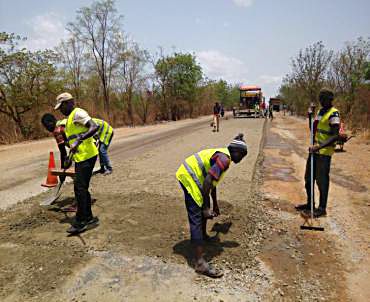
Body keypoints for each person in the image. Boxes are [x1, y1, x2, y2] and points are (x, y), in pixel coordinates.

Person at [176, 134, 248, 278]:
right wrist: (204, 208)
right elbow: (208, 181)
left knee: (205, 203)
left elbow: (212, 182)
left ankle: (202, 235)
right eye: (243, 155)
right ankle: (200, 263)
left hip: (197, 177)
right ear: (236, 152)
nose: (242, 159)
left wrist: (214, 204)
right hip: (189, 176)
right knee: (197, 214)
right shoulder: (225, 159)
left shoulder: (224, 156)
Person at [54, 92, 99, 234]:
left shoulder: (78, 113)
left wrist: (80, 139)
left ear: (68, 103)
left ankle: (80, 221)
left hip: (88, 156)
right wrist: (69, 159)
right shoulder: (69, 119)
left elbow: (94, 126)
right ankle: (89, 217)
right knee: (82, 188)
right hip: (81, 157)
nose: (60, 110)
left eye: (61, 107)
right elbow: (73, 142)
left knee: (79, 189)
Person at [295, 89, 341, 217]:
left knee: (321, 181)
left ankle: (321, 208)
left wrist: (319, 147)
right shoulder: (321, 112)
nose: (321, 101)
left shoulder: (334, 114)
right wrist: (310, 116)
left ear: (329, 99)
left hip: (324, 152)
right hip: (315, 150)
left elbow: (335, 135)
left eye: (323, 99)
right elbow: (313, 130)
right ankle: (310, 204)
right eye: (320, 98)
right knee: (308, 178)